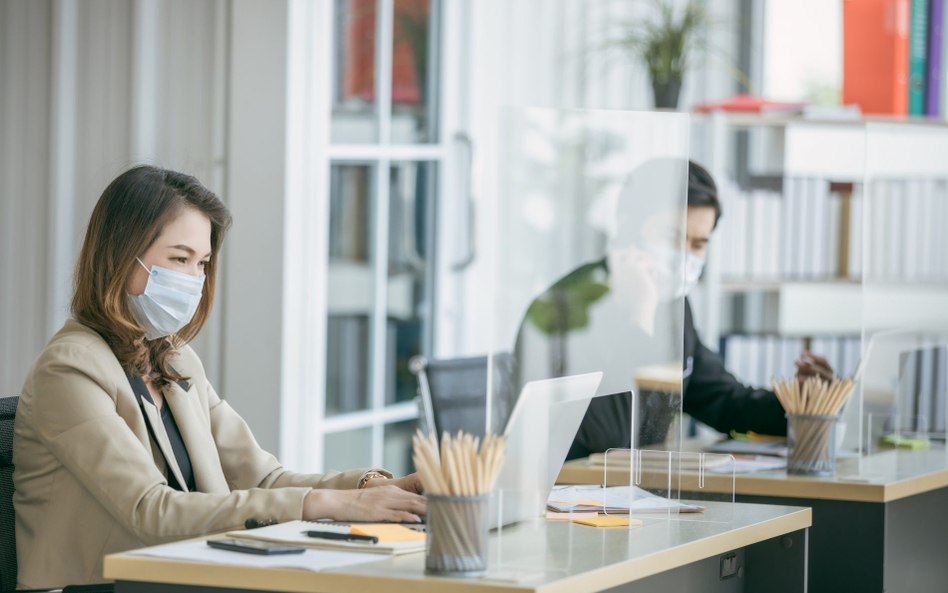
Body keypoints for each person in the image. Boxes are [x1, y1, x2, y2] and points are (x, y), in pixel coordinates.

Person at [12, 166, 426, 589]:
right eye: (179, 259)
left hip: (183, 579)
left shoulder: (176, 360)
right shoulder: (68, 370)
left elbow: (264, 479)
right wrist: (330, 504)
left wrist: (370, 487)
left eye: (203, 263)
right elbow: (150, 510)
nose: (194, 280)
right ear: (121, 256)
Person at [515, 160, 834, 459]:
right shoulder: (569, 310)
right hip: (568, 505)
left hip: (634, 502)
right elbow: (614, 440)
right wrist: (641, 317)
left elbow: (724, 402)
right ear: (627, 227)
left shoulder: (672, 307)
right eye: (671, 237)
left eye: (698, 244)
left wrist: (804, 400)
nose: (684, 256)